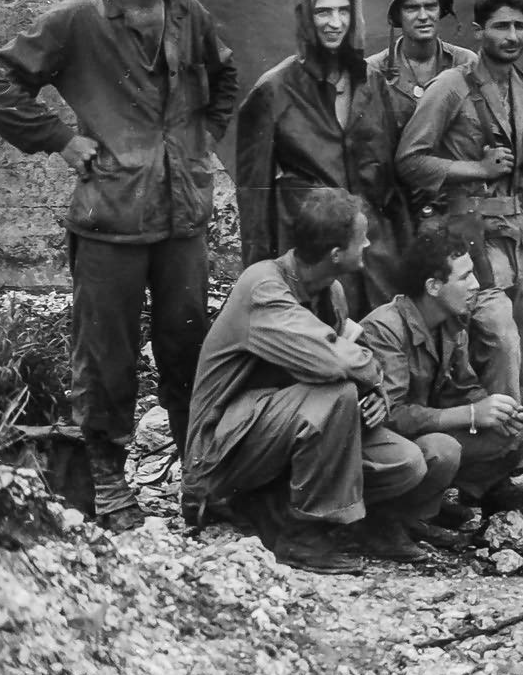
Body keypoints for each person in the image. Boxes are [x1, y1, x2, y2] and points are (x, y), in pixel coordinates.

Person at [0, 0, 238, 530]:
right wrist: (61, 140)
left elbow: (224, 77)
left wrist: (197, 147)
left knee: (187, 350)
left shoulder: (188, 13)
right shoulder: (80, 18)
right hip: (110, 221)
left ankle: (198, 477)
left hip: (181, 221)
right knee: (107, 358)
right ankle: (110, 483)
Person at [185, 189, 460, 574]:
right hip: (222, 451)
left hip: (282, 434)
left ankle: (285, 509)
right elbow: (331, 359)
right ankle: (300, 536)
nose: (367, 243)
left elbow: (348, 350)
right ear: (335, 254)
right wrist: (371, 375)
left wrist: (373, 391)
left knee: (407, 463)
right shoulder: (263, 287)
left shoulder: (329, 292)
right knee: (338, 392)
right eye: (359, 238)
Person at [396, 0, 523, 403]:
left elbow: (515, 161)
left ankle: (511, 441)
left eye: (519, 27)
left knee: (519, 348)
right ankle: (489, 445)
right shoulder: (452, 85)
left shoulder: (522, 88)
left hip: (518, 235)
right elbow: (410, 161)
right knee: (498, 339)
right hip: (469, 234)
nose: (512, 36)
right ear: (479, 31)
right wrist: (475, 169)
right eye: (501, 26)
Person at [236, 0, 400, 315]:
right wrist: (258, 277)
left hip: (373, 249)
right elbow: (254, 196)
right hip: (313, 249)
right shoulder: (274, 90)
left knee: (381, 343)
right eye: (323, 12)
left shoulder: (372, 82)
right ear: (306, 17)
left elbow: (389, 172)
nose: (335, 23)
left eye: (343, 11)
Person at [357, 223, 523, 520]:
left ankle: (429, 506)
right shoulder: (385, 328)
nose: (476, 284)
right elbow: (390, 415)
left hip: (418, 435)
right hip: (379, 447)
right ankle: (392, 521)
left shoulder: (450, 320)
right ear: (433, 287)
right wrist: (472, 414)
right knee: (443, 449)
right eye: (465, 276)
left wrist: (498, 411)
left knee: (512, 437)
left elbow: (462, 386)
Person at [359, 0, 479, 244]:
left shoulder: (466, 64)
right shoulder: (372, 72)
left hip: (456, 203)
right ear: (397, 16)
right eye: (412, 8)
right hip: (396, 209)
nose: (423, 16)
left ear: (442, 11)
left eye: (431, 6)